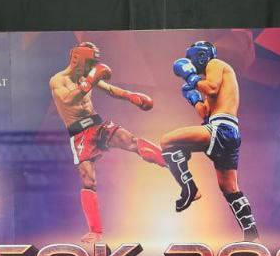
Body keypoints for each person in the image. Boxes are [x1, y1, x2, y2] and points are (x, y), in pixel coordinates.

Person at [49, 40, 165, 244]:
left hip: (97, 124)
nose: (92, 67)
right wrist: (89, 81)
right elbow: (67, 100)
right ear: (78, 60)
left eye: (94, 63)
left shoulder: (87, 76)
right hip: (79, 133)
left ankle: (171, 162)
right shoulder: (58, 80)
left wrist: (130, 96)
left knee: (130, 140)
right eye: (90, 62)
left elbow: (110, 89)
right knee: (88, 180)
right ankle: (95, 231)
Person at [160, 39, 258, 240]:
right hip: (226, 131)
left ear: (201, 55)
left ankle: (190, 188)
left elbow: (211, 88)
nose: (190, 62)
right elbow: (205, 113)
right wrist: (194, 98)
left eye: (191, 58)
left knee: (167, 141)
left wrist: (190, 77)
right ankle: (253, 236)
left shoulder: (215, 64)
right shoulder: (208, 78)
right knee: (230, 189)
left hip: (221, 128)